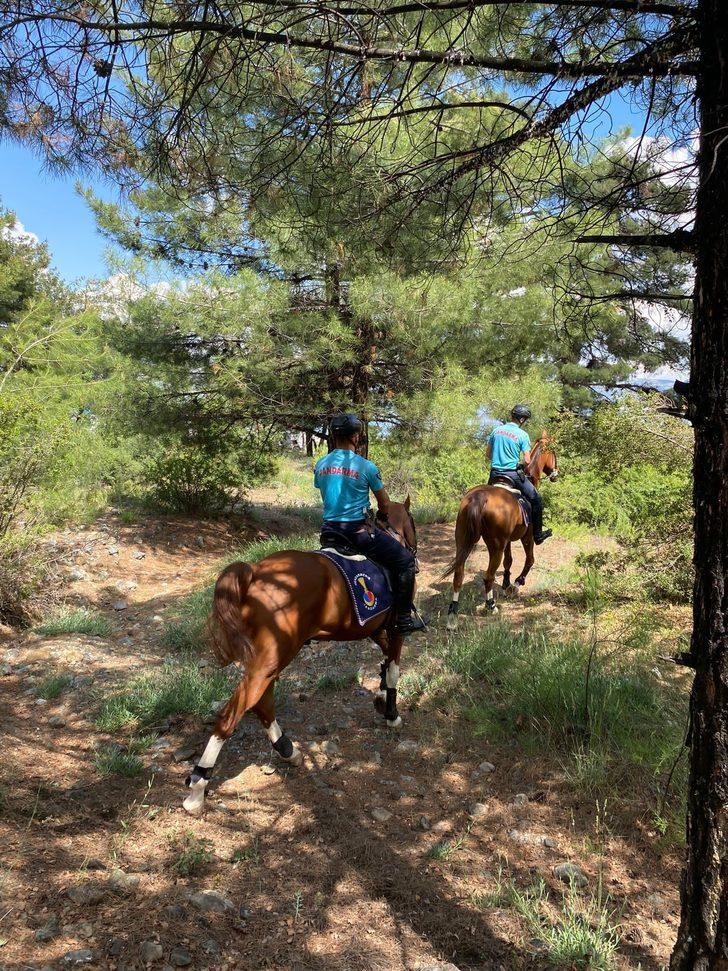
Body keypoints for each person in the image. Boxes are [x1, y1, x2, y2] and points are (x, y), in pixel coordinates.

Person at [314, 413, 425, 635]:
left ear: (335, 437)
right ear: (355, 437)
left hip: (329, 532)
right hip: (357, 532)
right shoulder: (366, 466)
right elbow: (384, 502)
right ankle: (403, 619)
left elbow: (325, 491)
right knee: (405, 561)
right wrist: (383, 515)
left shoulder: (321, 464)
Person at [487, 404, 552, 544]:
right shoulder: (522, 435)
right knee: (536, 500)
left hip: (494, 474)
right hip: (512, 475)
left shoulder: (496, 431)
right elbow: (528, 460)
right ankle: (538, 535)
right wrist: (519, 463)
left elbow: (488, 455)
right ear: (522, 419)